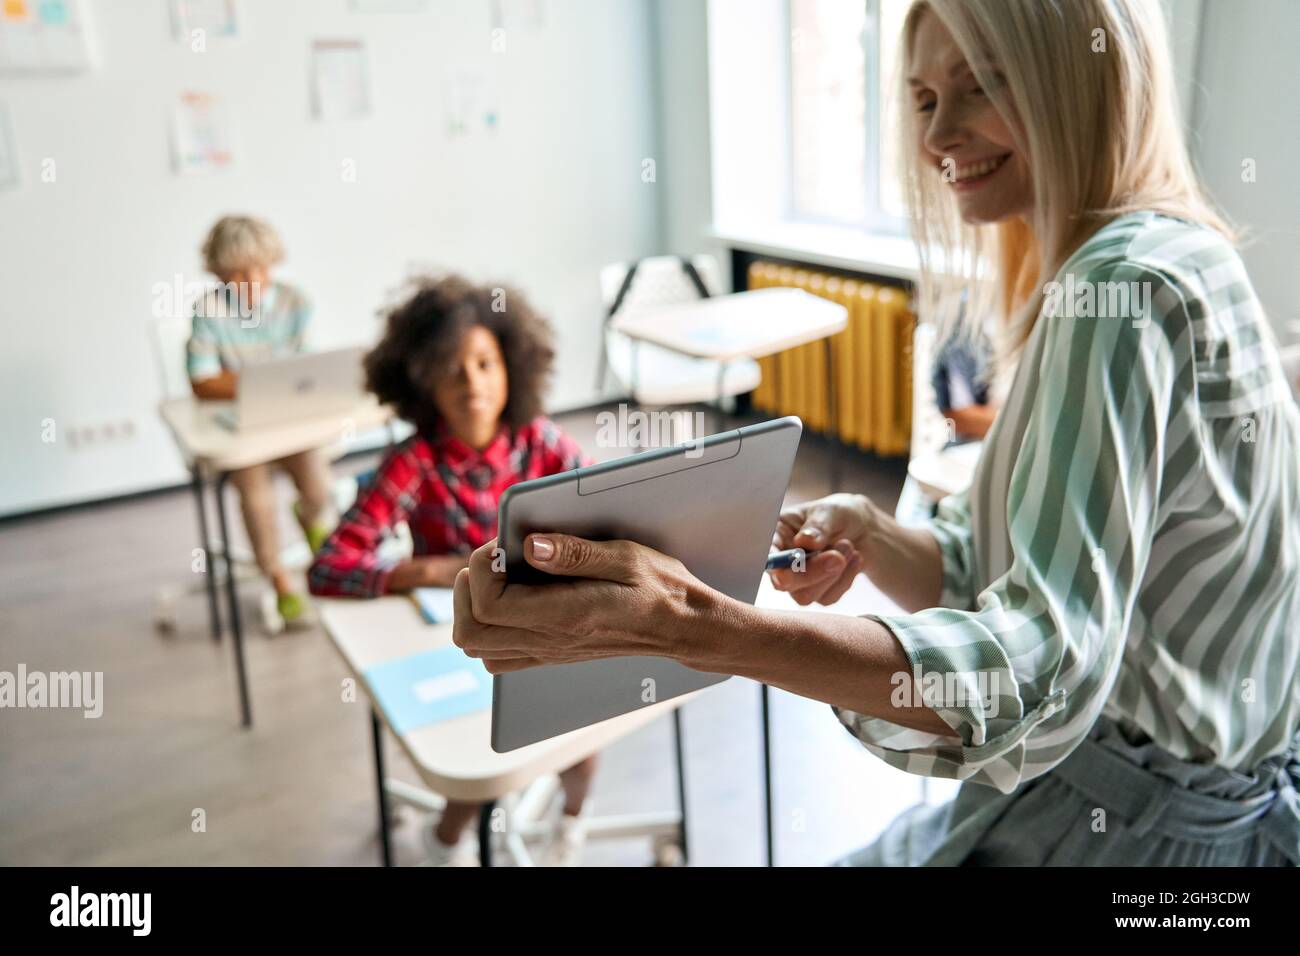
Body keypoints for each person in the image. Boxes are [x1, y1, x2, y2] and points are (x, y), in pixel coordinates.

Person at [450, 0, 1300, 865]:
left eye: (982, 84)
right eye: (925, 98)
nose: (939, 135)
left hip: (1147, 826)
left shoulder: (1119, 290)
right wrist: (877, 534)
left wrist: (700, 628)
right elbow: (1002, 572)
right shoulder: (1172, 257)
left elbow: (1042, 664)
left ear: (1087, 72)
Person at [308, 275, 599, 866]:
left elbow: (605, 506)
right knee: (477, 758)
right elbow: (331, 566)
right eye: (452, 370)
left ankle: (571, 825)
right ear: (422, 383)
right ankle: (443, 841)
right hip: (461, 639)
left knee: (584, 729)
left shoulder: (537, 441)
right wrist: (424, 571)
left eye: (486, 364)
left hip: (546, 625)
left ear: (512, 368)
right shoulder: (416, 460)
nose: (472, 384)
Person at [187, 215, 336, 628]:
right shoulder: (207, 310)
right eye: (237, 272)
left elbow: (307, 370)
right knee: (256, 496)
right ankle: (279, 580)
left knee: (318, 486)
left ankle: (310, 522)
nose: (251, 279)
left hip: (289, 422)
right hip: (242, 427)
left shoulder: (295, 301)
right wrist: (265, 377)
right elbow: (202, 382)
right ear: (218, 271)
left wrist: (242, 377)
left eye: (259, 267)